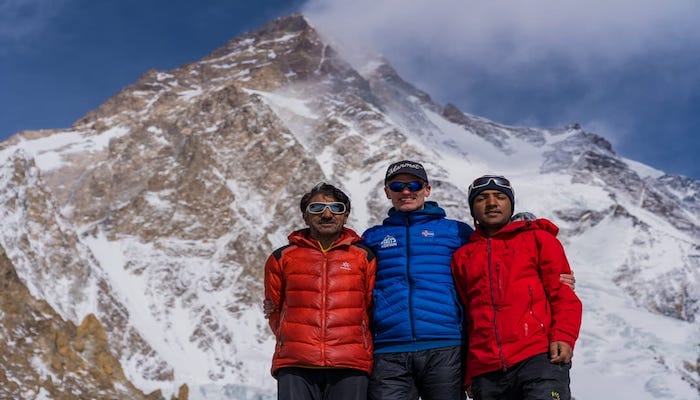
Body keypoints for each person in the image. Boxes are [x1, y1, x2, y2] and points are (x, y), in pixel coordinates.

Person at [450, 175, 583, 400]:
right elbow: (466, 317)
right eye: (482, 198)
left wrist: (564, 336)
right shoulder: (463, 257)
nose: (492, 203)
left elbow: (562, 295)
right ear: (473, 209)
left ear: (510, 204)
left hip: (539, 357)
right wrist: (470, 373)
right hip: (486, 370)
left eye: (500, 197)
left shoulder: (539, 239)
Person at [360, 160, 474, 400]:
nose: (406, 191)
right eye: (397, 186)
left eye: (414, 184)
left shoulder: (456, 232)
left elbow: (493, 257)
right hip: (390, 347)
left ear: (427, 189)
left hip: (445, 344)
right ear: (387, 192)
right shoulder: (373, 237)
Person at [263, 183, 377, 400]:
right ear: (305, 217)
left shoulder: (364, 257)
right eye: (316, 209)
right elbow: (274, 310)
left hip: (350, 364)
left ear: (345, 216)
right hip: (296, 364)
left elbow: (370, 307)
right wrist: (295, 340)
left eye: (336, 208)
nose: (327, 214)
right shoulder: (281, 258)